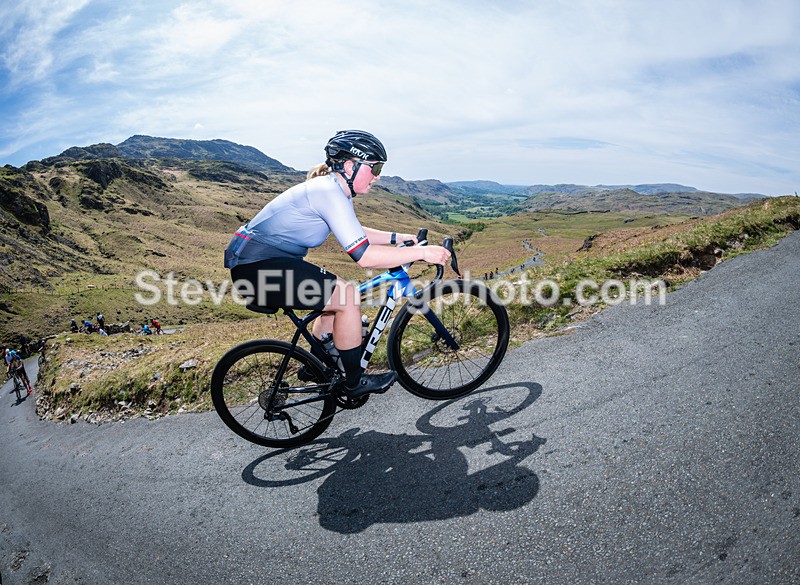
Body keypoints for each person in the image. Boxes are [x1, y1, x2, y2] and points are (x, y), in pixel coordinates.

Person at [224, 130, 450, 399]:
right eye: (375, 168)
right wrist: (423, 253)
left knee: (335, 295)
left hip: (262, 264)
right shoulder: (328, 191)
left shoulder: (333, 190)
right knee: (346, 296)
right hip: (258, 268)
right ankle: (354, 382)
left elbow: (353, 231)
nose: (378, 176)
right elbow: (365, 256)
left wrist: (397, 238)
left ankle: (318, 366)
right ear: (350, 166)